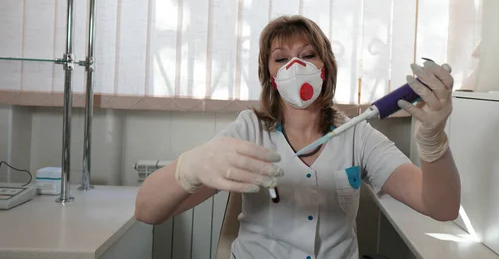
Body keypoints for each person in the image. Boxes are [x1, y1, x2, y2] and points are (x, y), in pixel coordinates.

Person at [135, 15, 461, 259]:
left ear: (325, 67)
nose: (295, 66)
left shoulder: (358, 135)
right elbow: (148, 211)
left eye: (307, 55)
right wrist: (189, 167)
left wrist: (433, 141)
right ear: (271, 76)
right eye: (281, 58)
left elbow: (441, 207)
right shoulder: (249, 130)